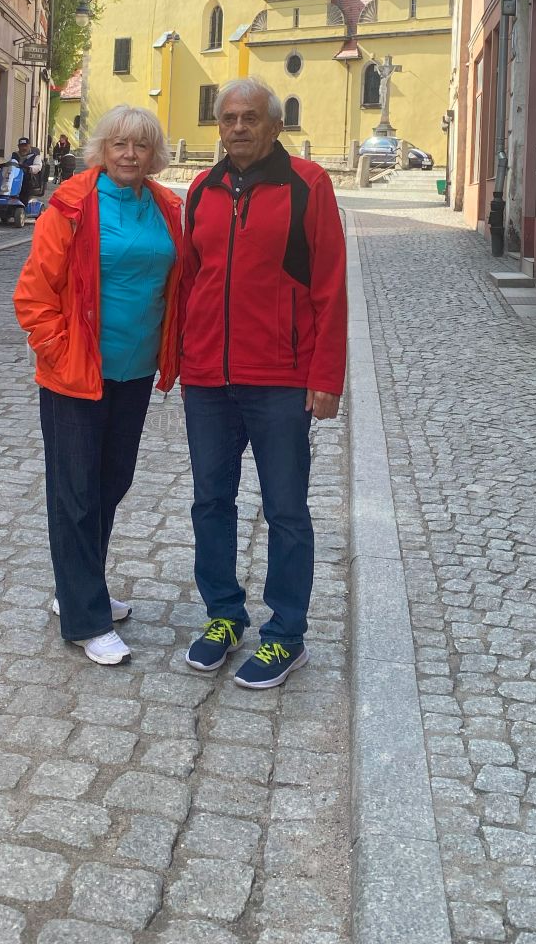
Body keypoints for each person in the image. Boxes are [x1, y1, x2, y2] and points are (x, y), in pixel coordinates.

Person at [180, 77, 347, 689]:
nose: (238, 127)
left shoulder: (308, 185)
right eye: (228, 118)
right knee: (210, 502)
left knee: (285, 509)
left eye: (250, 117)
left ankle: (286, 634)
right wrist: (181, 359)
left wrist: (325, 377)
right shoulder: (202, 189)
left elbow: (330, 284)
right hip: (208, 378)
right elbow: (189, 280)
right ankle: (223, 616)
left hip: (280, 378)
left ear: (275, 126)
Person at [14, 105, 182, 666]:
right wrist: (59, 352)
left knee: (111, 482)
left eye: (141, 145)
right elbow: (34, 294)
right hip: (77, 374)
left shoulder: (165, 207)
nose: (130, 154)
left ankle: (78, 586)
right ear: (102, 150)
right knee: (76, 491)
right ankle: (85, 617)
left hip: (135, 370)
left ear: (154, 154)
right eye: (119, 144)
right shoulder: (71, 205)